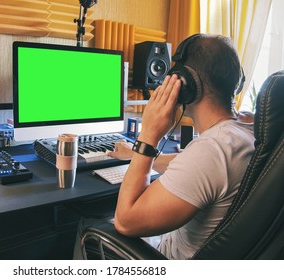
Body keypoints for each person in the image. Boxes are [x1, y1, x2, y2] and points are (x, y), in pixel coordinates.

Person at [73, 33, 255, 260]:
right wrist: (134, 154)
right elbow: (195, 169)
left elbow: (125, 221)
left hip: (166, 257)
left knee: (88, 222)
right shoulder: (247, 131)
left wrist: (149, 135)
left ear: (183, 82)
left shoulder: (210, 151)